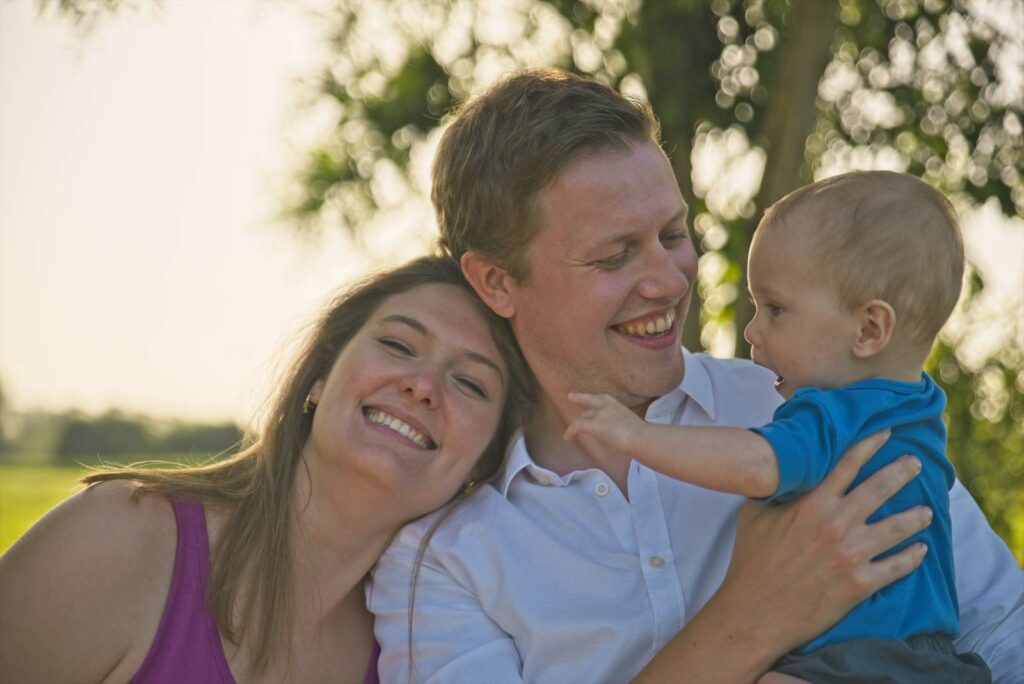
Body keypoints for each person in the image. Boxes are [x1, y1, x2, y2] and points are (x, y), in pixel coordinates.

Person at [369, 69, 1024, 683]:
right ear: (498, 282)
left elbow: (1007, 638)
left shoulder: (822, 404)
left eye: (674, 235)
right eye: (615, 256)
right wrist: (751, 617)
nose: (667, 280)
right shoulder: (439, 564)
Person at [0, 256, 533, 683]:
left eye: (471, 384)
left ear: (485, 461)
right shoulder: (123, 537)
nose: (423, 385)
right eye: (398, 344)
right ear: (321, 376)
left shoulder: (429, 656)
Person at [564, 170, 990, 682]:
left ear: (869, 329)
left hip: (872, 659)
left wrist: (636, 437)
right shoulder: (917, 409)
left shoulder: (836, 416)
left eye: (776, 309)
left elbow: (755, 464)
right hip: (931, 654)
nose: (751, 330)